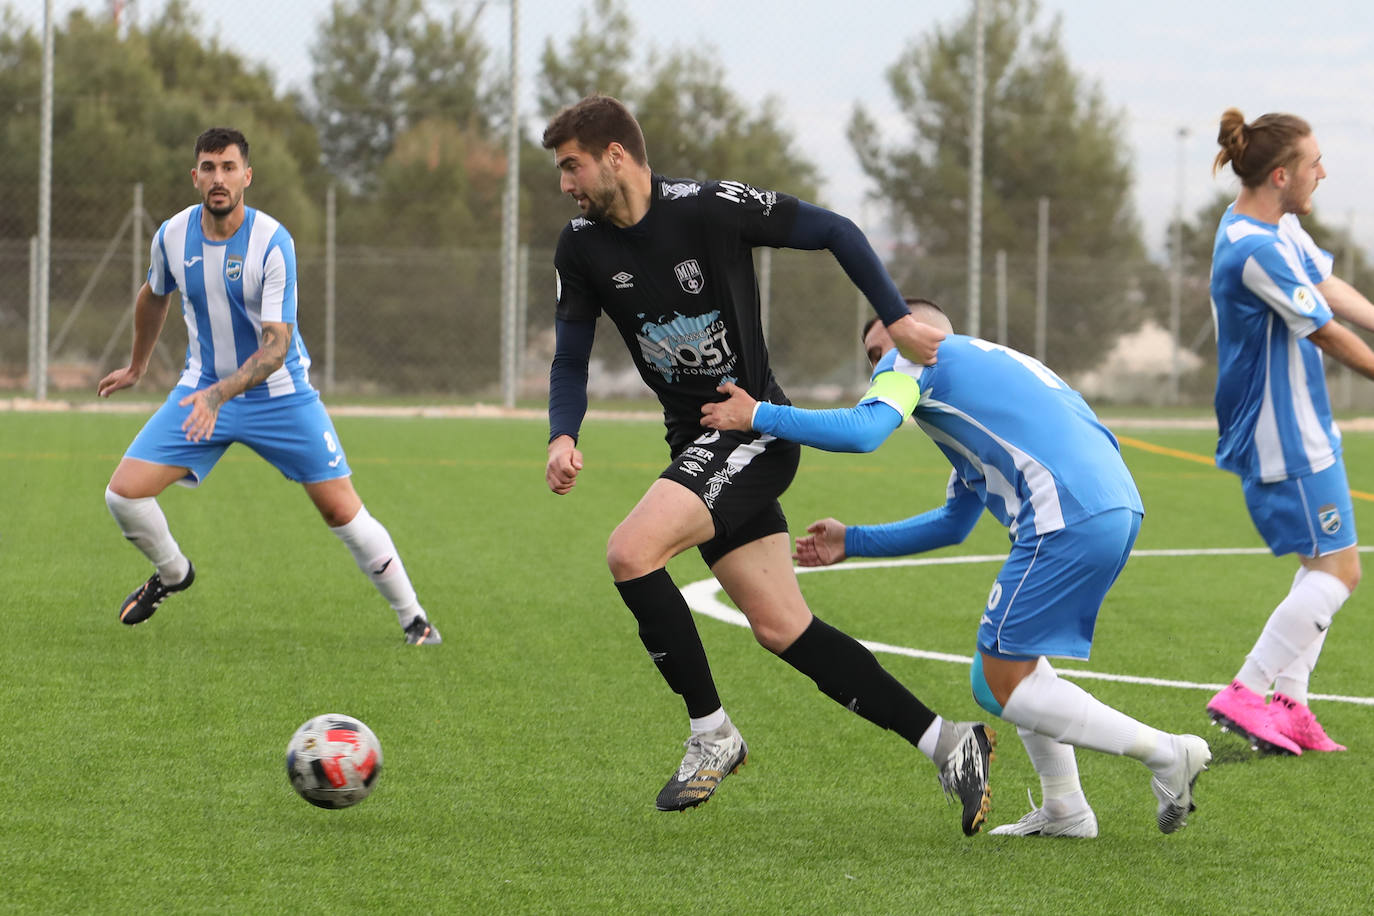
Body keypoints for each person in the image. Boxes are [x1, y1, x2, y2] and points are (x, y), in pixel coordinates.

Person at [541, 94, 993, 834]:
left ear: (615, 156)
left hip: (751, 428)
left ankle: (711, 732)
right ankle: (950, 744)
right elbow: (569, 352)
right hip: (696, 442)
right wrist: (563, 434)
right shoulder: (580, 247)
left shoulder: (709, 207)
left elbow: (837, 231)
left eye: (571, 166)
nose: (566, 185)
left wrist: (899, 317)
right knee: (782, 627)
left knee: (630, 552)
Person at [701, 299, 1212, 837]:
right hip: (1112, 507)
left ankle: (1166, 754)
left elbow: (865, 432)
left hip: (1063, 515)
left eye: (880, 349)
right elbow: (954, 522)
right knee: (1007, 668)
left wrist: (758, 414)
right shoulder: (988, 374)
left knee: (999, 685)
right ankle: (1066, 808)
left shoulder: (915, 359)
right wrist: (854, 541)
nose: (877, 366)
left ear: (917, 330)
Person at [96, 127, 440, 646]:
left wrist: (217, 396)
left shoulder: (273, 243)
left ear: (247, 177)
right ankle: (173, 573)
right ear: (195, 178)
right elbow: (153, 294)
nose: (218, 178)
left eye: (229, 167)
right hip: (200, 390)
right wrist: (137, 365)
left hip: (279, 397)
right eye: (208, 168)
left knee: (341, 510)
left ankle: (414, 619)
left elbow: (277, 348)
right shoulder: (171, 235)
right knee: (122, 496)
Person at [1203, 108, 1374, 754]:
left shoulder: (1275, 228)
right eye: (1313, 165)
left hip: (1303, 426)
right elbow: (1326, 331)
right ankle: (1247, 690)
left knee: (1319, 562)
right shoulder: (1257, 250)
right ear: (1280, 174)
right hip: (1284, 434)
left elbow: (1327, 288)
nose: (1322, 173)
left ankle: (1290, 704)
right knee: (1341, 569)